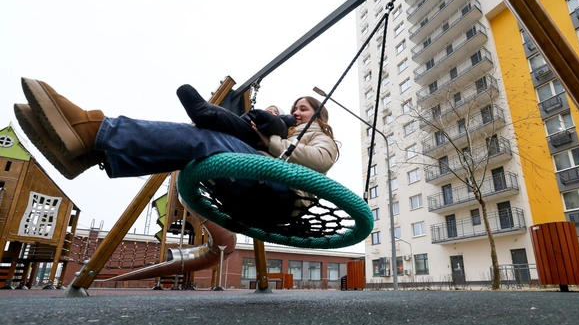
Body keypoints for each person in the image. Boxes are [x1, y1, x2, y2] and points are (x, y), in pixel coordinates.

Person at [15, 77, 339, 234]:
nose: (297, 113)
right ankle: (94, 151)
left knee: (204, 139)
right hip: (258, 186)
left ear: (318, 115)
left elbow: (321, 161)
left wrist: (271, 144)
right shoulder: (286, 132)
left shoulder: (320, 135)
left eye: (304, 108)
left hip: (280, 196)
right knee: (200, 145)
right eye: (294, 107)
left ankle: (94, 134)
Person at [176, 84, 296, 151]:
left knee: (225, 118)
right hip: (248, 137)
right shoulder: (261, 121)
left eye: (275, 111)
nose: (271, 111)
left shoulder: (281, 125)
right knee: (228, 123)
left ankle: (206, 112)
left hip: (256, 142)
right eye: (269, 108)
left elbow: (268, 119)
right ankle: (207, 113)